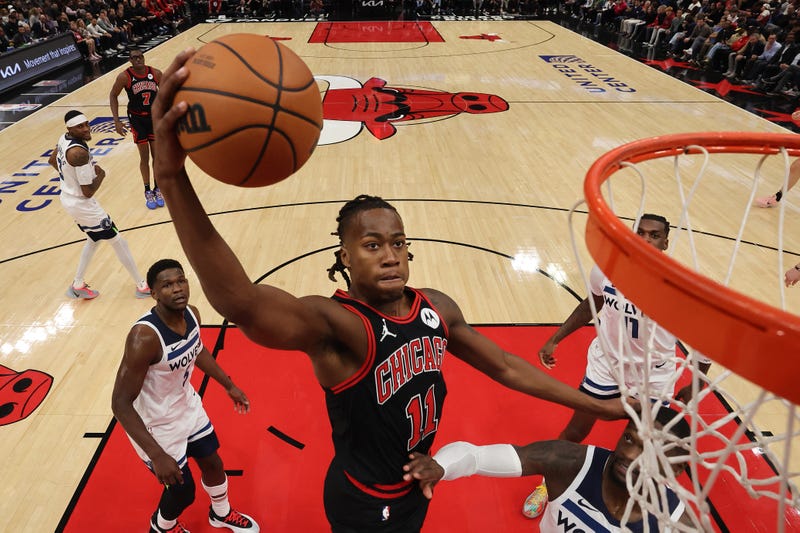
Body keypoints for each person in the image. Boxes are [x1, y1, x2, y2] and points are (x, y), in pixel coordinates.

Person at [151, 48, 627, 532]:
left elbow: (504, 365)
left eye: (398, 242)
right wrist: (170, 177)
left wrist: (594, 405)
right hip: (363, 500)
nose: (389, 254)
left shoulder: (436, 307)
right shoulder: (337, 326)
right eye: (372, 244)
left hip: (416, 485)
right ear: (345, 259)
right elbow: (241, 302)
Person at [521, 214, 711, 519]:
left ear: (665, 241)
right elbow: (590, 305)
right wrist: (556, 338)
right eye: (641, 233)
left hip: (654, 374)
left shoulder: (680, 287)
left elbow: (706, 340)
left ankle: (635, 498)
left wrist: (697, 383)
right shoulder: (607, 270)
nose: (646, 240)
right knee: (576, 429)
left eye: (654, 235)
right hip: (607, 365)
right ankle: (546, 482)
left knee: (648, 443)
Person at [111, 258, 259, 533]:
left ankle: (221, 514)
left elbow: (198, 349)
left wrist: (228, 385)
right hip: (156, 424)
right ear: (153, 293)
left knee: (213, 463)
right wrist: (156, 455)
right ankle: (162, 526)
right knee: (183, 492)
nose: (177, 289)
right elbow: (119, 403)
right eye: (167, 285)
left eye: (181, 281)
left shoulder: (192, 313)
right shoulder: (144, 338)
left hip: (187, 406)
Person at [401, 406, 694, 531]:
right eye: (630, 438)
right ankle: (545, 491)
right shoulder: (569, 462)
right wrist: (440, 466)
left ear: (676, 470)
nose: (629, 453)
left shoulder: (679, 525)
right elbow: (473, 456)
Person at [48, 110, 150, 300]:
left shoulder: (64, 138)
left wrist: (68, 180)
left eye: (87, 123)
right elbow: (88, 191)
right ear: (70, 128)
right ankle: (142, 285)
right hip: (82, 203)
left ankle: (77, 284)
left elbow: (52, 160)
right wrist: (101, 175)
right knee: (117, 240)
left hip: (69, 198)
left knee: (94, 239)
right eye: (81, 126)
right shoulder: (78, 153)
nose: (86, 128)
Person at [110, 49, 164, 210]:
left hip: (154, 118)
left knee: (157, 156)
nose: (138, 60)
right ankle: (147, 190)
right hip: (137, 119)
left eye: (140, 56)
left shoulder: (156, 73)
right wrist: (116, 120)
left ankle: (158, 188)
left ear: (143, 57)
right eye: (134, 57)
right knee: (144, 157)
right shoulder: (124, 76)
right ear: (130, 60)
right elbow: (113, 95)